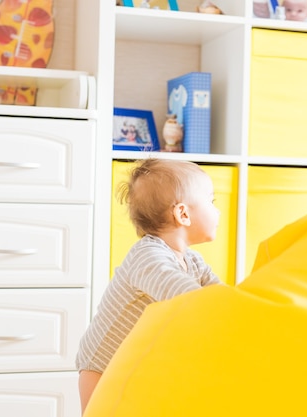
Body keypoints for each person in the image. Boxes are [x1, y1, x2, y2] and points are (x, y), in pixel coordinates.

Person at [75, 158, 223, 414]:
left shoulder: (192, 260)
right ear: (183, 214)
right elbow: (186, 297)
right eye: (211, 201)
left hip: (135, 365)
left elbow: (221, 295)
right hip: (103, 368)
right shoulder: (149, 257)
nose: (217, 211)